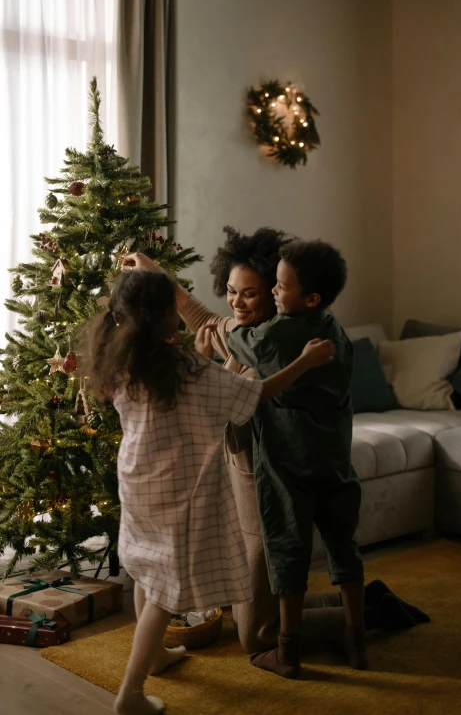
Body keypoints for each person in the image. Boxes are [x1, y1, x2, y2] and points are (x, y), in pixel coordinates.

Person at [121, 232, 429, 660]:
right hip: (248, 475)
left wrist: (165, 285)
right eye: (231, 291)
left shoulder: (276, 338)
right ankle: (360, 604)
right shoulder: (261, 334)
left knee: (257, 634)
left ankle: (369, 612)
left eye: (252, 293)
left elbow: (214, 334)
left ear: (279, 296)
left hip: (268, 478)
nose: (237, 302)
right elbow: (212, 334)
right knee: (249, 607)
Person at [82, 269, 335, 715]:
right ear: (164, 317)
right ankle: (130, 694)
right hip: (179, 487)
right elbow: (254, 395)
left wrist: (206, 359)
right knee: (164, 588)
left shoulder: (121, 358)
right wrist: (305, 362)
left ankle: (155, 655)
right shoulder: (184, 368)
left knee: (146, 570)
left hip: (138, 479)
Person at [226, 239, 365, 679]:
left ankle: (288, 651)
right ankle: (356, 641)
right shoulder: (334, 328)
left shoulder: (280, 333)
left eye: (279, 287)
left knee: (288, 551)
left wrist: (225, 329)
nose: (271, 294)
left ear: (310, 298)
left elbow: (237, 336)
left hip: (290, 464)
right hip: (337, 461)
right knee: (345, 551)